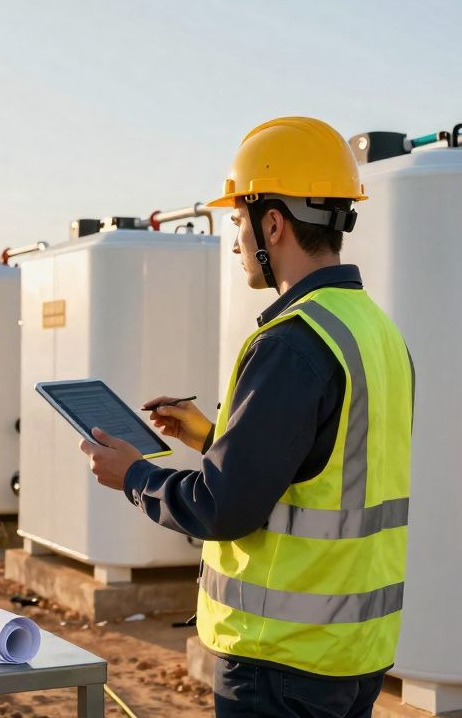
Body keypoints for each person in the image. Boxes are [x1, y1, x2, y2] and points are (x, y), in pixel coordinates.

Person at [79, 116, 414, 718]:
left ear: (274, 224)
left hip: (280, 661)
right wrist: (211, 436)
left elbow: (224, 507)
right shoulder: (376, 332)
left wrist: (134, 476)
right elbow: (326, 465)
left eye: (238, 221)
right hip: (353, 653)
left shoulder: (292, 343)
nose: (234, 239)